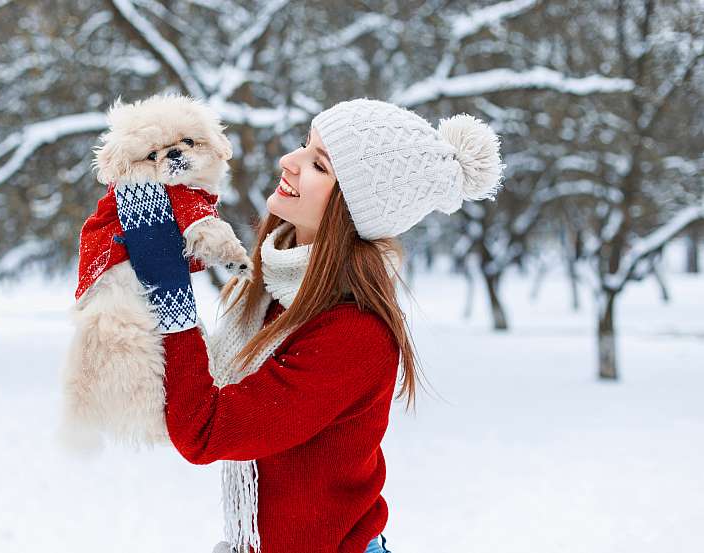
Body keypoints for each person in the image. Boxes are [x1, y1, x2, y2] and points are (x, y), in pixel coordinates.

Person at [159, 98, 505, 553]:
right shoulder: (275, 289)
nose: (289, 161)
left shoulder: (353, 333)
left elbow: (205, 429)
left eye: (319, 165)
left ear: (352, 207)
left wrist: (166, 291)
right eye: (305, 145)